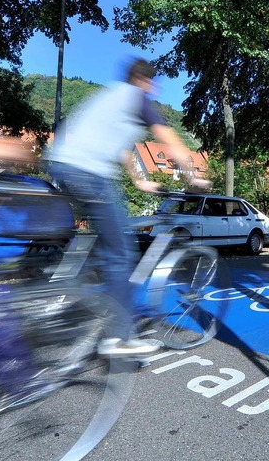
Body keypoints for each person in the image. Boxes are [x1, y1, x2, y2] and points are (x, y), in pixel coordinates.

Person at [46, 57, 210, 358]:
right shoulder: (139, 98)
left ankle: (63, 292)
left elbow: (122, 149)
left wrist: (139, 181)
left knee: (102, 240)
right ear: (146, 82)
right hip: (89, 173)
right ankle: (118, 337)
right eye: (154, 84)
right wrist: (193, 177)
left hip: (62, 166)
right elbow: (170, 139)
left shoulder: (110, 97)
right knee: (122, 252)